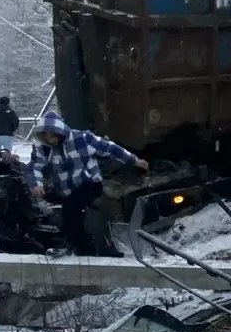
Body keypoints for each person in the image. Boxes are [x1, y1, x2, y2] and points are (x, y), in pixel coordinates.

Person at [26, 110, 147, 256]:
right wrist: (36, 184)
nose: (50, 140)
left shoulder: (82, 139)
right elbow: (35, 167)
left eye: (53, 136)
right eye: (46, 137)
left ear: (60, 132)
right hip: (65, 189)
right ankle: (86, 247)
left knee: (71, 206)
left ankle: (68, 243)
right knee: (69, 208)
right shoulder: (43, 149)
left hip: (89, 183)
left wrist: (133, 160)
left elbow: (109, 148)